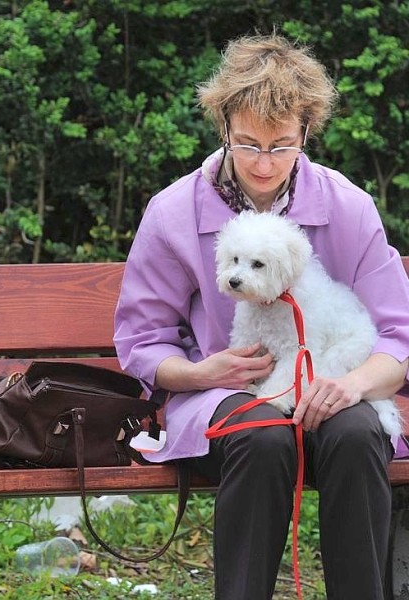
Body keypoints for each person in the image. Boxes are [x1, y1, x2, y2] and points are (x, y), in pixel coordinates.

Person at [114, 33, 409, 600]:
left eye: (282, 145)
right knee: (263, 433)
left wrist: (349, 386)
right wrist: (201, 373)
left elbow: (397, 338)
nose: (264, 162)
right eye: (248, 143)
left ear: (306, 131)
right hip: (220, 394)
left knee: (355, 434)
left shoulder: (347, 205)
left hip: (337, 381)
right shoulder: (174, 210)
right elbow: (144, 341)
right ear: (223, 125)